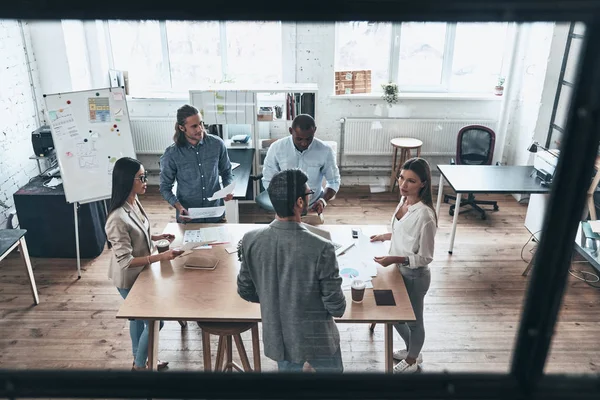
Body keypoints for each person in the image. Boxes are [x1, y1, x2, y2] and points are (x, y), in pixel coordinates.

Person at [237, 168, 346, 372]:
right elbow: (336, 307)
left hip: (279, 338)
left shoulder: (250, 240)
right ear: (299, 202)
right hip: (318, 339)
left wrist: (277, 297)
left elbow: (245, 290)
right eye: (308, 193)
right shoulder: (322, 247)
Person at [105, 157, 184, 371]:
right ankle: (140, 366)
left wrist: (156, 237)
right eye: (141, 177)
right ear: (127, 181)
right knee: (155, 321)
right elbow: (126, 261)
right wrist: (160, 257)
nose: (146, 180)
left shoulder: (134, 201)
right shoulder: (116, 218)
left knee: (138, 320)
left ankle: (140, 358)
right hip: (129, 279)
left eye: (145, 176)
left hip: (142, 274)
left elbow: (138, 231)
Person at [370, 157, 437, 374]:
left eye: (411, 181)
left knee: (414, 322)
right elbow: (405, 233)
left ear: (423, 184)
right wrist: (385, 235)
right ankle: (414, 351)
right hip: (398, 271)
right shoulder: (404, 201)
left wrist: (394, 259)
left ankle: (411, 359)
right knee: (394, 315)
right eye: (401, 177)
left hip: (414, 276)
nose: (403, 184)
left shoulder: (426, 216)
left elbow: (425, 257)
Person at [159, 104, 234, 223]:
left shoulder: (217, 144)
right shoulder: (171, 154)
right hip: (189, 217)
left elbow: (226, 172)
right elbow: (165, 187)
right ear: (182, 128)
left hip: (215, 214)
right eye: (194, 126)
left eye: (201, 124)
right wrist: (179, 207)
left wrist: (227, 188)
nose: (200, 129)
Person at [261, 114, 340, 219]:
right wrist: (281, 202)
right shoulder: (276, 148)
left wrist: (322, 201)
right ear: (290, 131)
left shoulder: (325, 150)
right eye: (299, 139)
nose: (303, 143)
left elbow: (334, 181)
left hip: (313, 206)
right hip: (285, 207)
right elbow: (268, 180)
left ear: (314, 131)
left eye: (308, 139)